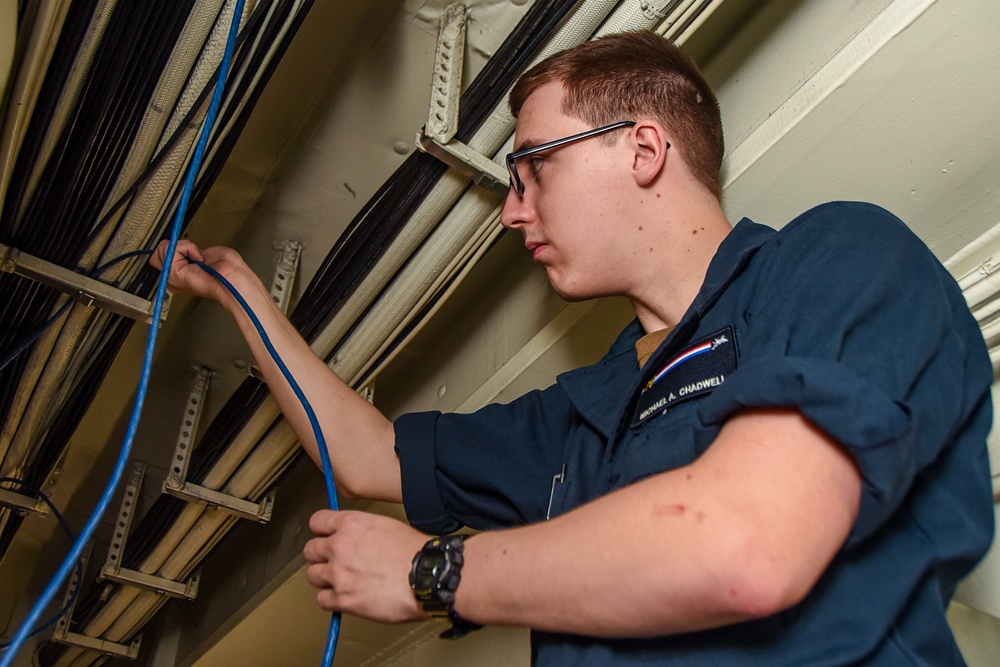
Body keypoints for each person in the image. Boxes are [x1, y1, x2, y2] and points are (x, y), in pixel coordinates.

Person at [152, 31, 994, 666]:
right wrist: (242, 298)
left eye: (533, 170)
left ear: (642, 148)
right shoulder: (579, 418)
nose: (513, 210)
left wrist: (436, 571)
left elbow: (744, 546)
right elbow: (368, 454)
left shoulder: (837, 259)